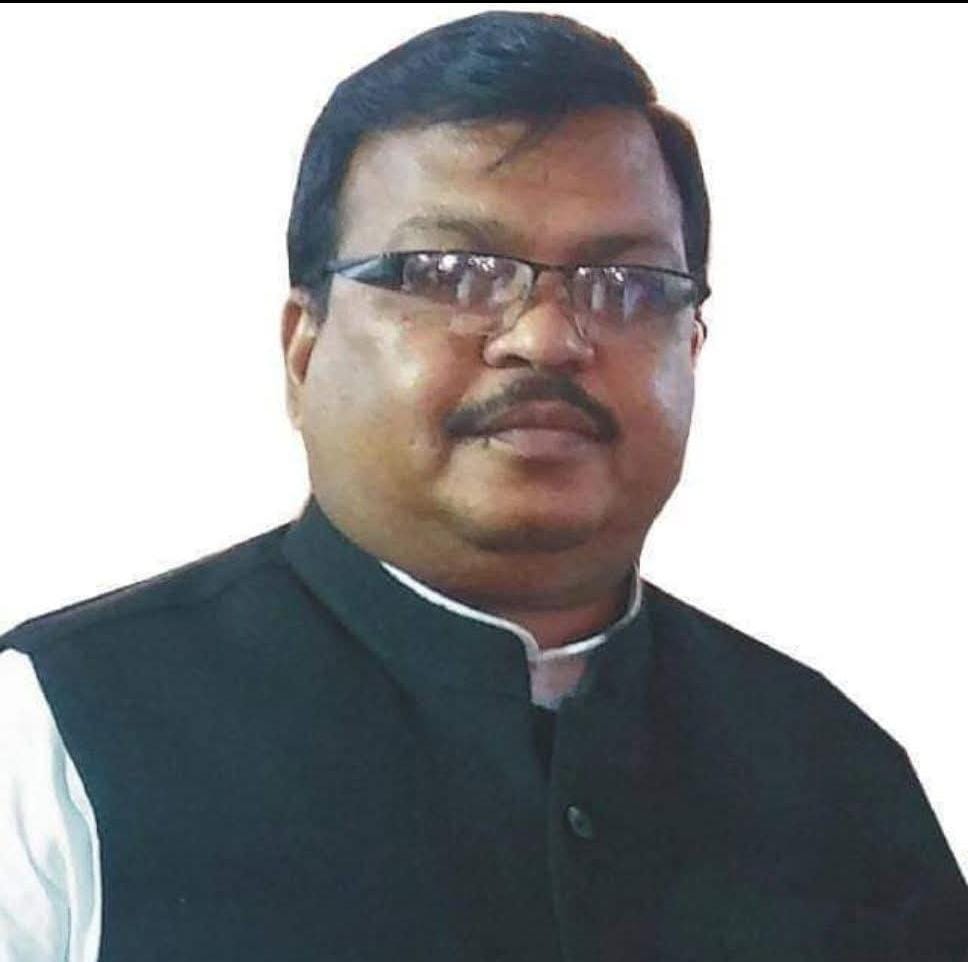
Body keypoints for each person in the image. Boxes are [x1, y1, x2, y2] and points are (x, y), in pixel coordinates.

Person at [1, 10, 966, 961]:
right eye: (451, 272)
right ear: (304, 349)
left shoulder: (837, 773)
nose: (546, 338)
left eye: (624, 286)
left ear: (694, 349)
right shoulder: (54, 735)